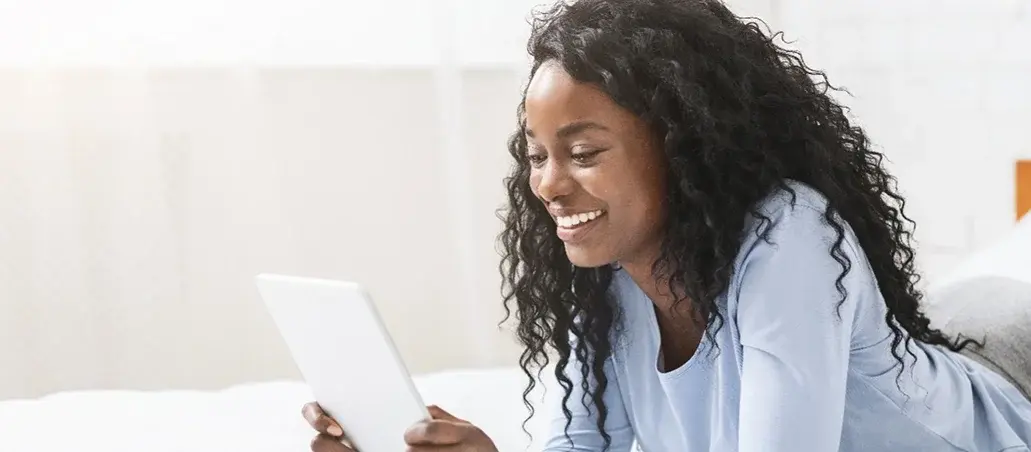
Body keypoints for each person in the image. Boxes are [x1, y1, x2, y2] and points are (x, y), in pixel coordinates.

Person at [302, 0, 1031, 450]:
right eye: (537, 155)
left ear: (682, 147)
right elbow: (580, 444)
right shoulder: (608, 271)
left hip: (1003, 370)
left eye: (584, 153)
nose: (548, 184)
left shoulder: (787, 235)